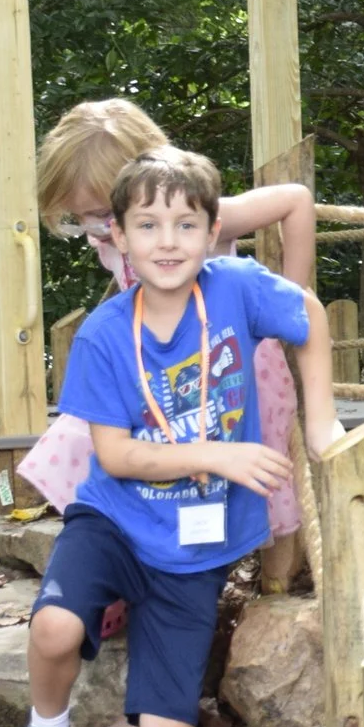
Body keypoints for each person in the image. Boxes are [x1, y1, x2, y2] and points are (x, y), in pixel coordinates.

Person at [9, 147, 347, 727]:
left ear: (211, 231)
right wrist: (223, 454)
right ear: (117, 237)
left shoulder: (234, 289)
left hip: (194, 554)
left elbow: (308, 312)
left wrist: (320, 423)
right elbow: (117, 457)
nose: (168, 241)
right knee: (55, 624)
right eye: (148, 225)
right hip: (116, 522)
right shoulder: (101, 334)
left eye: (186, 224)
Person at [28, 99, 314, 591]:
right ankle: (123, 565)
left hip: (235, 370)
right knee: (85, 437)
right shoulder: (112, 234)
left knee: (266, 469)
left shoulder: (197, 213)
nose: (96, 230)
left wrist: (290, 298)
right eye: (84, 220)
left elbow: (295, 200)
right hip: (162, 377)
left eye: (98, 215)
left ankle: (277, 587)